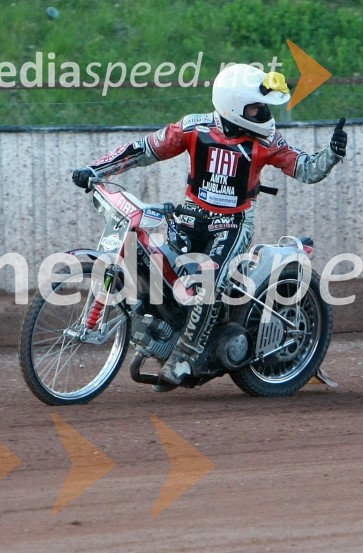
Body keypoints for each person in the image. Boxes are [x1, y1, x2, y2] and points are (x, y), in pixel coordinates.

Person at [71, 63, 348, 391]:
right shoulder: (193, 128)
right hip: (191, 216)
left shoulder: (267, 140)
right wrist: (96, 169)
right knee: (151, 263)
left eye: (262, 108)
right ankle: (166, 330)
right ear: (233, 104)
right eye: (256, 107)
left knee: (207, 280)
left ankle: (185, 358)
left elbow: (305, 169)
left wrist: (331, 154)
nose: (263, 113)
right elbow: (144, 149)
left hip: (233, 223)